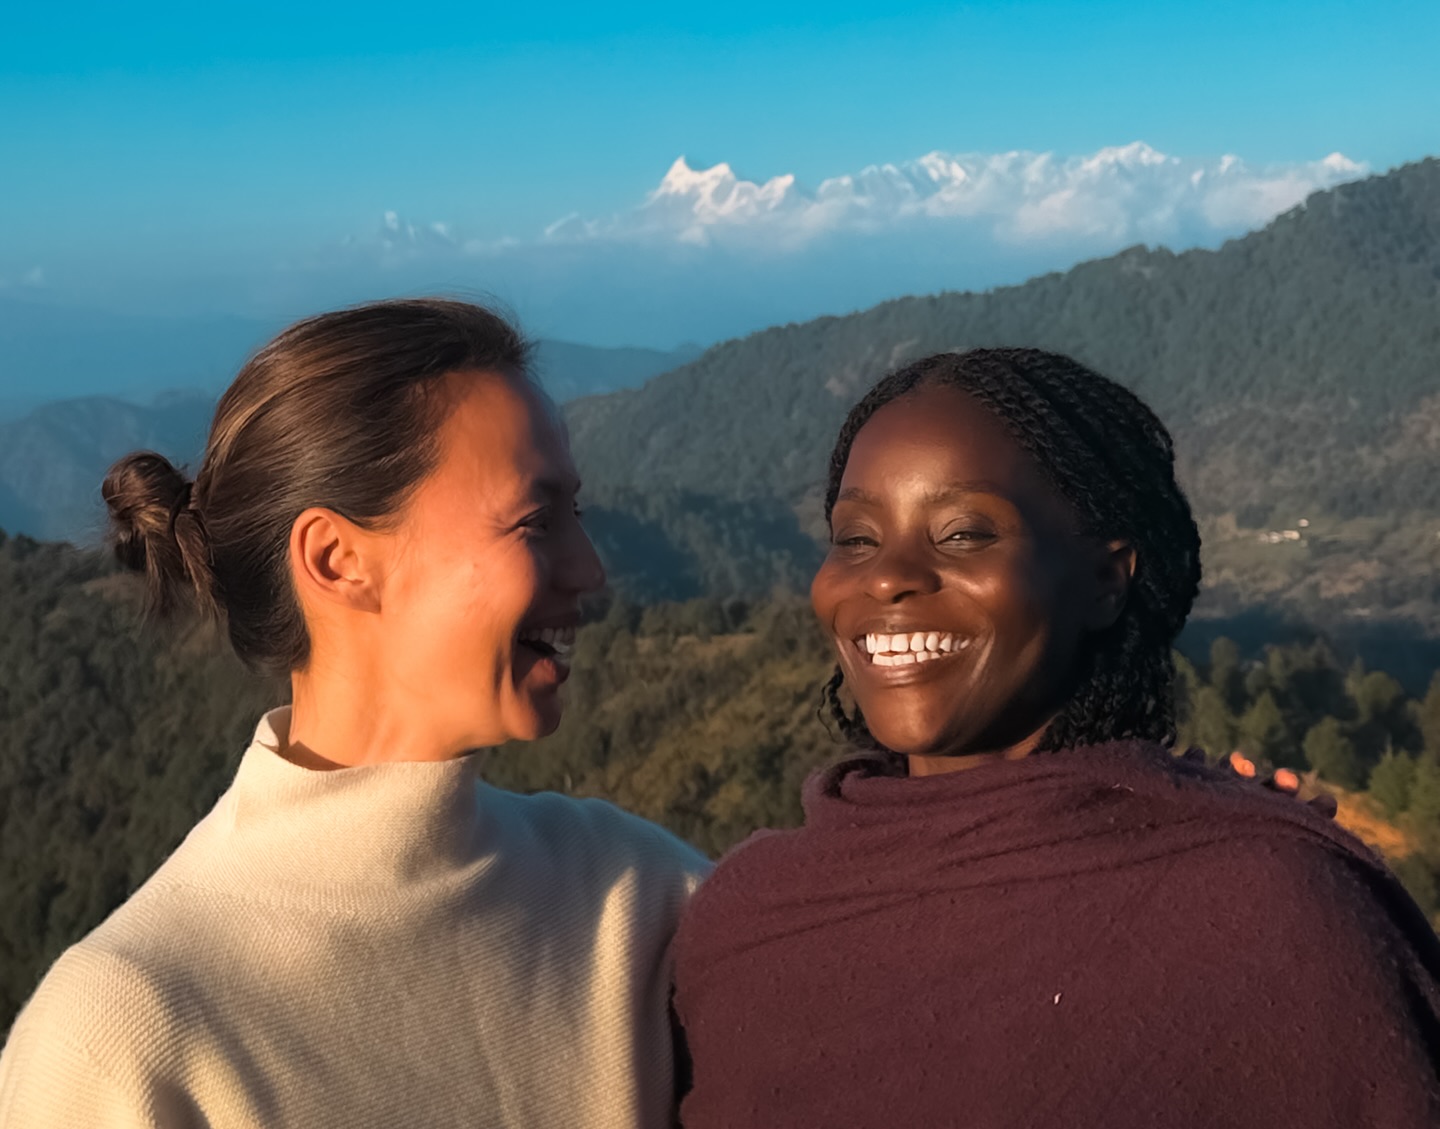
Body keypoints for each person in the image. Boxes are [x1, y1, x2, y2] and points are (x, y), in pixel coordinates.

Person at [673, 348, 1440, 1127]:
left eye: (964, 533)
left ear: (1106, 579)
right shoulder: (749, 917)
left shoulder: (1276, 916)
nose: (886, 577)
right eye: (857, 538)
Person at [0, 299, 710, 1128]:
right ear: (337, 561)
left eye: (574, 515)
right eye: (534, 520)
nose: (589, 569)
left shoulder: (644, 900)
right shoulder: (124, 1039)